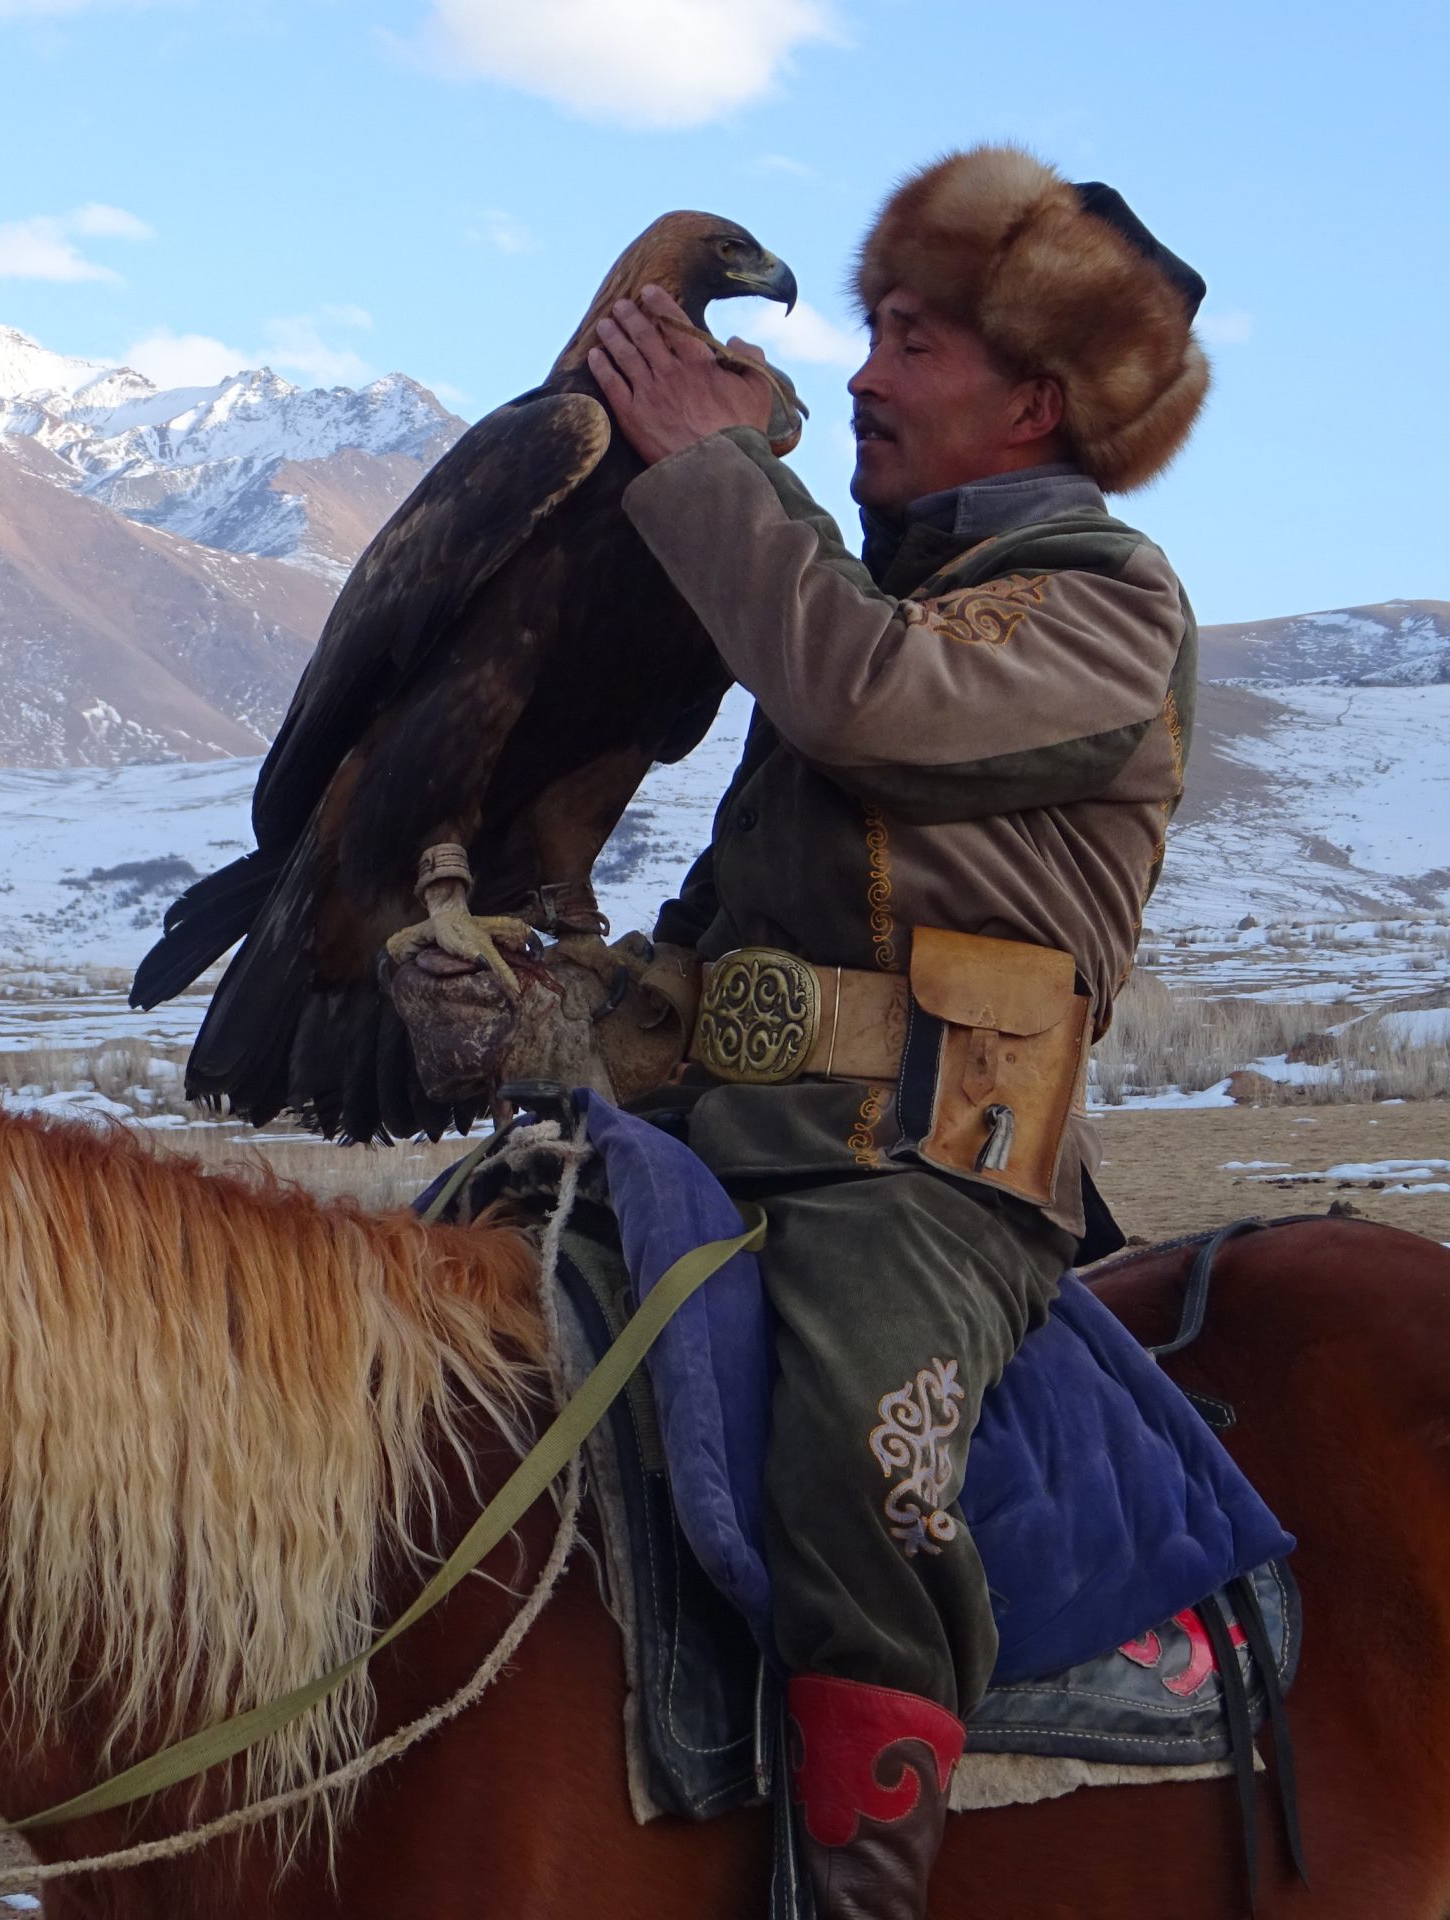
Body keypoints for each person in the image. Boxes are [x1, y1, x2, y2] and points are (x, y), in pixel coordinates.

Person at [582, 145, 1212, 1919]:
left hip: (924, 1185)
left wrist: (711, 468)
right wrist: (546, 1017)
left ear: (1037, 394)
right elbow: (727, 941)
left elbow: (868, 697)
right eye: (874, 330)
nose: (858, 373)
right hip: (726, 1142)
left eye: (913, 340)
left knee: (861, 1455)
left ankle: (853, 1898)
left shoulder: (1106, 607)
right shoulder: (879, 594)